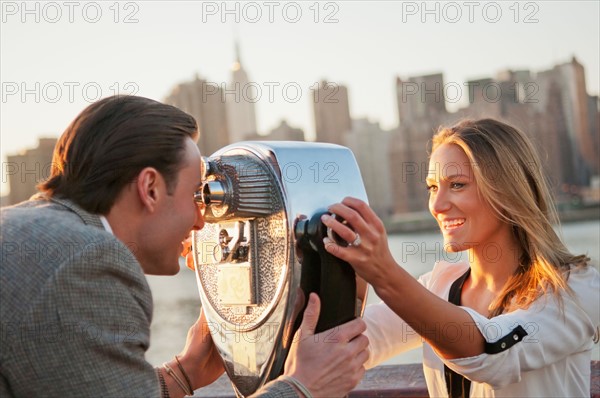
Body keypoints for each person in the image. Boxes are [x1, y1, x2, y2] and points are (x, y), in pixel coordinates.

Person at [0, 95, 369, 397]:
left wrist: (184, 373)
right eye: (196, 195)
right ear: (150, 188)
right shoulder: (88, 260)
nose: (200, 222)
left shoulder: (32, 228)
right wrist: (303, 387)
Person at [321, 118, 599, 397]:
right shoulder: (439, 285)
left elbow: (491, 354)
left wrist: (385, 274)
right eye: (432, 187)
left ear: (507, 190)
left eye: (456, 185)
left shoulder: (575, 288)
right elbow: (343, 348)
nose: (438, 205)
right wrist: (346, 278)